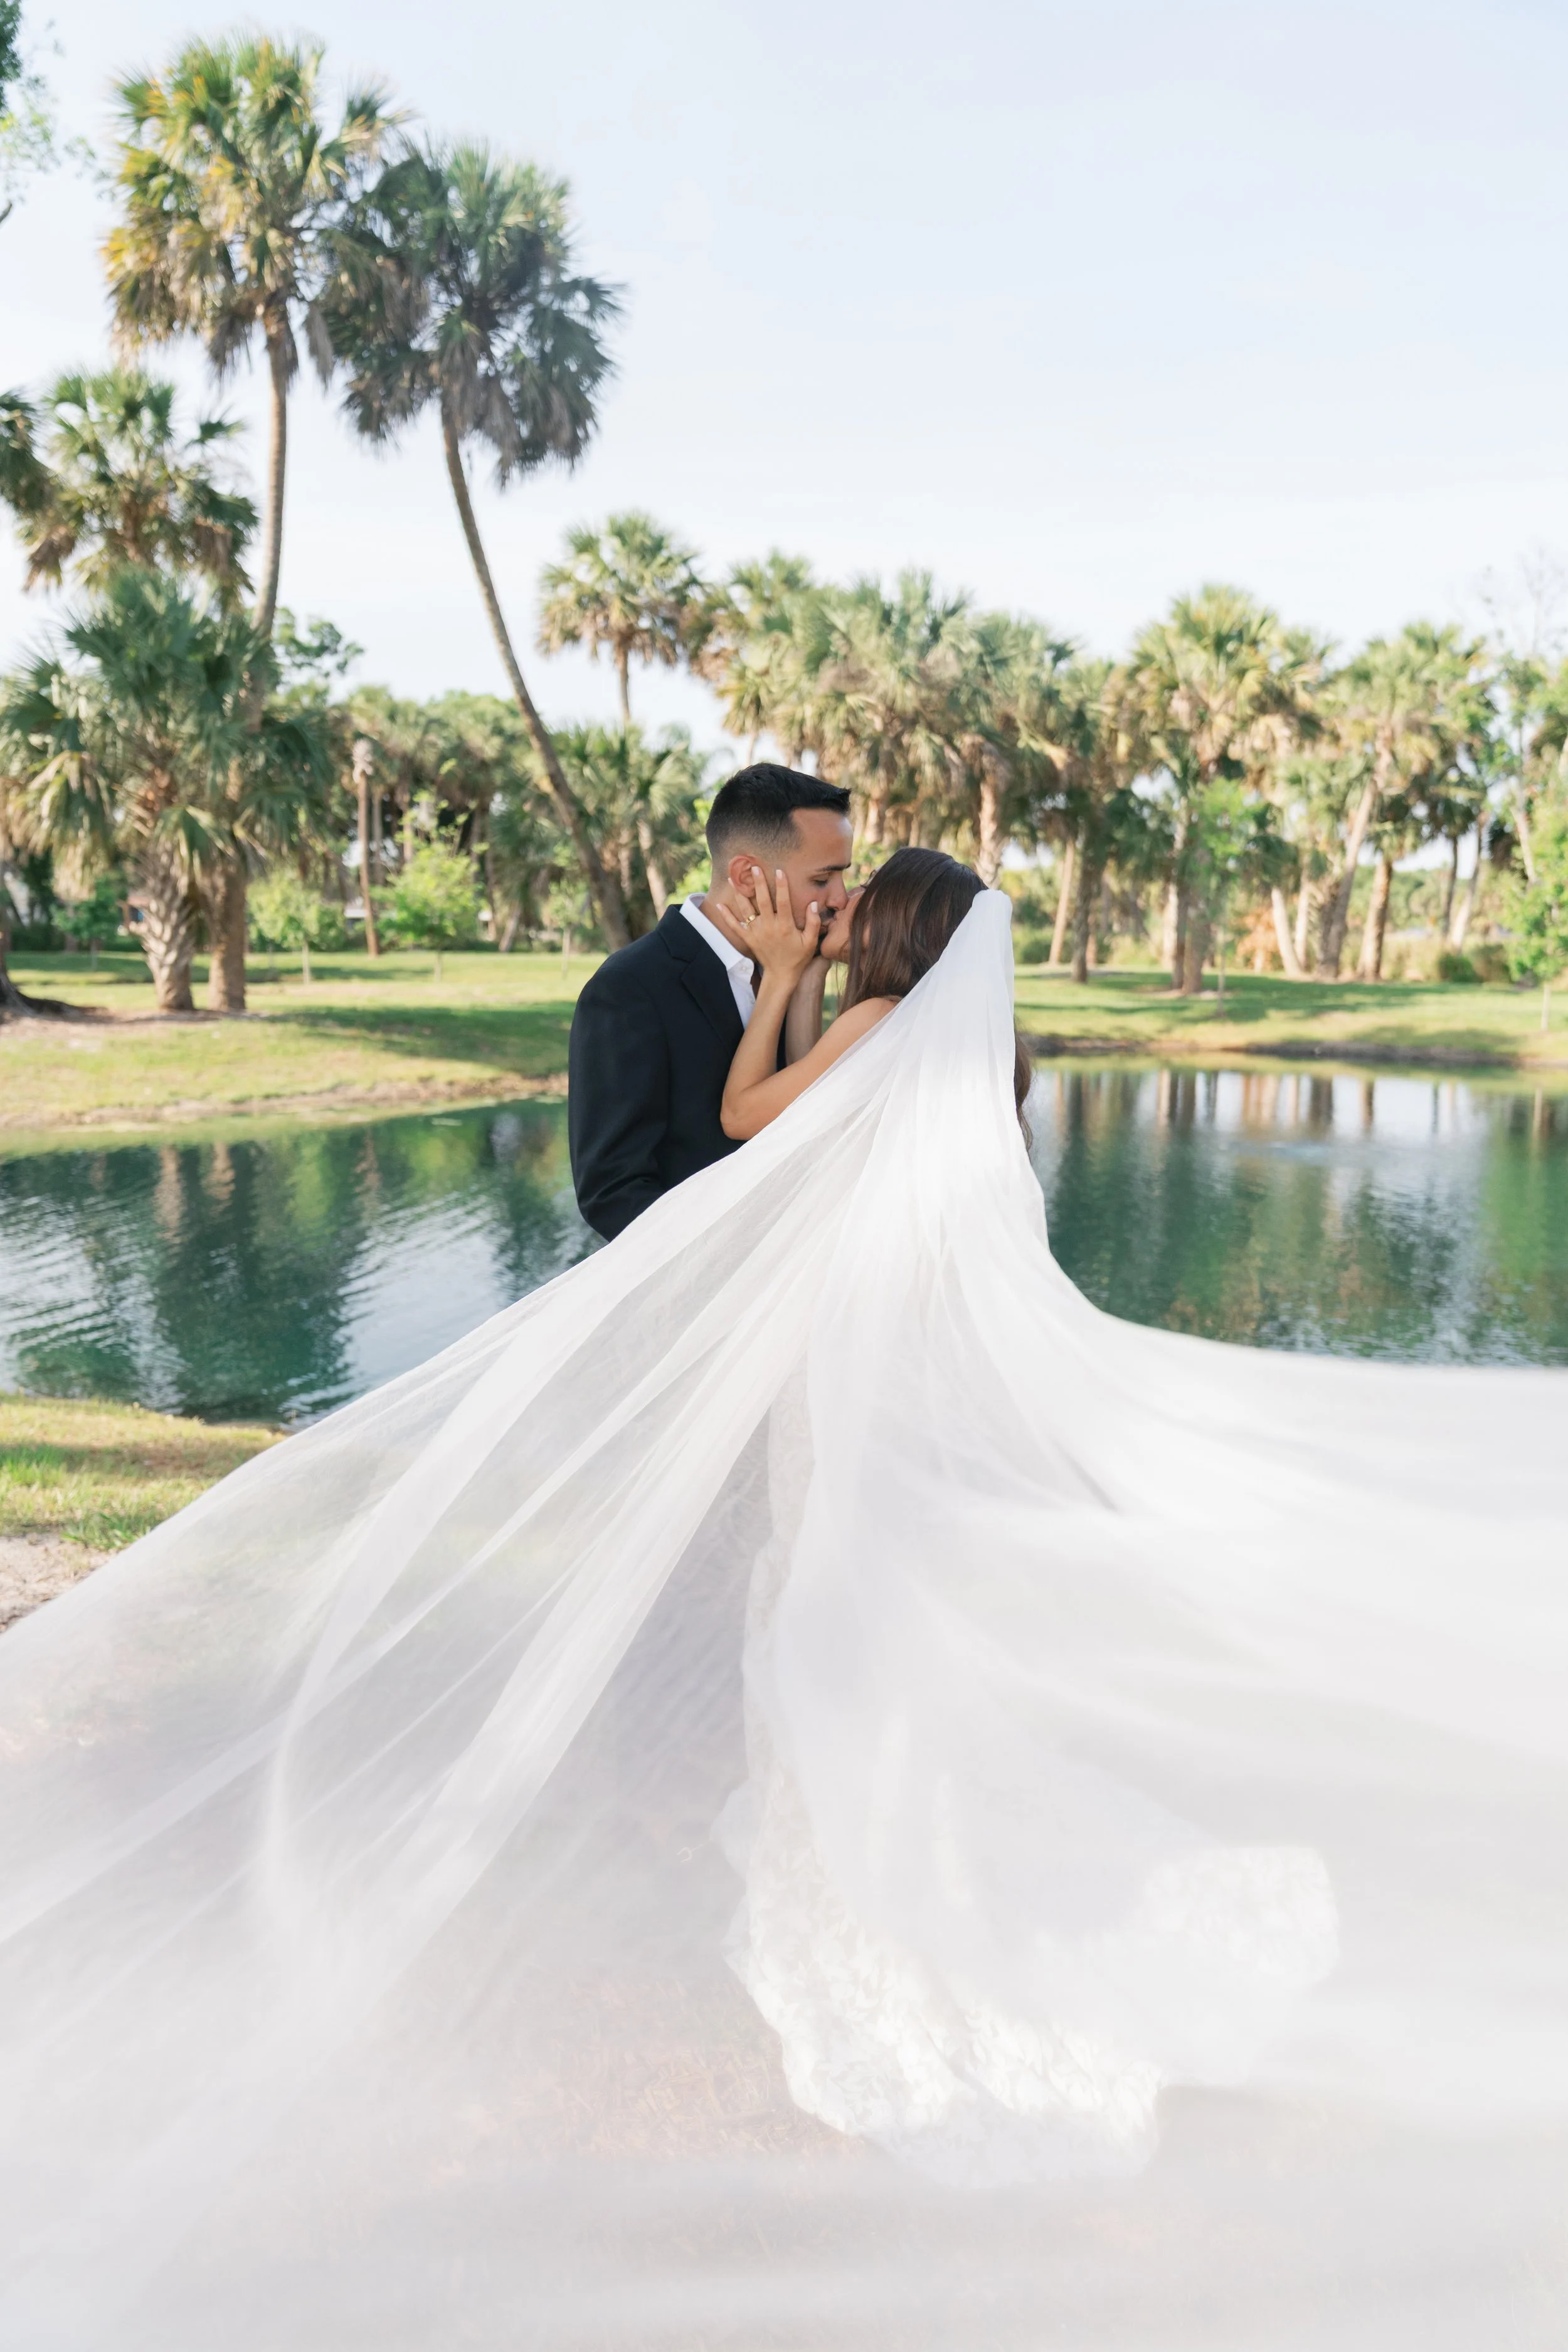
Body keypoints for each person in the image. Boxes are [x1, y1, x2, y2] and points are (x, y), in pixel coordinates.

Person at [1, 856, 1567, 2352]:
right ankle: (906, 1826)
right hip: (920, 1390)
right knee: (888, 1620)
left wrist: (787, 988)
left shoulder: (874, 1029)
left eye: (852, 913)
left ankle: (874, 1852)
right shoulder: (981, 1069)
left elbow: (756, 1118)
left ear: (887, 945)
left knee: (829, 1617)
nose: (834, 918)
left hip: (850, 1387)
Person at [567, 761, 853, 1239]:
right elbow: (612, 1192)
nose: (840, 898)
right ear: (746, 876)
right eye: (823, 880)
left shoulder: (791, 969)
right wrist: (730, 1272)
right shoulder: (630, 988)